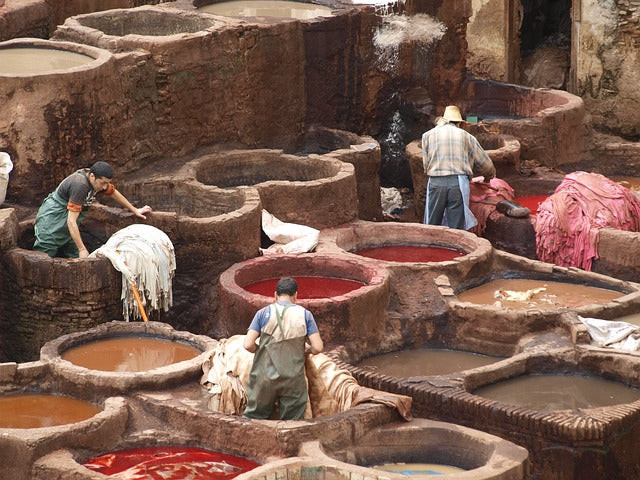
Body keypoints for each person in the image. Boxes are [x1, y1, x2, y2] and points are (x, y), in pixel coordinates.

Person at [243, 276, 323, 420]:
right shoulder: (305, 315)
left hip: (264, 378)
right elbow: (317, 347)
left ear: (275, 295)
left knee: (254, 420)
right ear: (296, 296)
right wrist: (306, 350)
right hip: (293, 379)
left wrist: (261, 350)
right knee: (291, 424)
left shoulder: (262, 313)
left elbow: (247, 344)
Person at [33, 161, 152, 258]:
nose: (105, 187)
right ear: (92, 176)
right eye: (103, 183)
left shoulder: (95, 179)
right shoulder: (80, 185)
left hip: (67, 221)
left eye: (107, 183)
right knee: (44, 256)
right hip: (52, 219)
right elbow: (71, 221)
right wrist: (82, 250)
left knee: (74, 254)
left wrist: (134, 210)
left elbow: (113, 192)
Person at [421, 105, 496, 230]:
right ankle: (454, 248)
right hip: (458, 184)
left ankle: (430, 246)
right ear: (460, 123)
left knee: (432, 225)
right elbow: (486, 164)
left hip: (436, 181)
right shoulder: (467, 136)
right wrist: (489, 177)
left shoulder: (427, 136)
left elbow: (426, 165)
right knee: (456, 229)